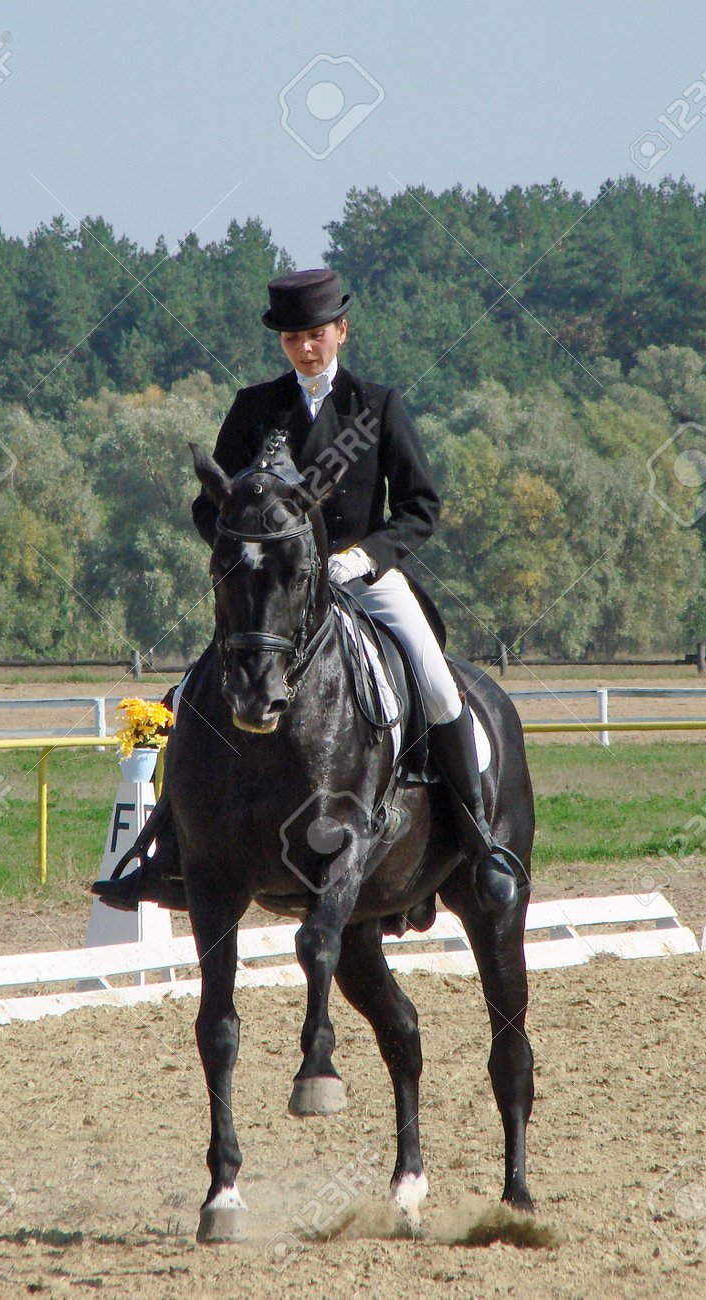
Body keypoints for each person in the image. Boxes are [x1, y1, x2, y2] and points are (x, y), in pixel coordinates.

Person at [94, 269, 518, 915]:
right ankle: (169, 852)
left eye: (316, 335)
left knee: (434, 681)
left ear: (341, 331)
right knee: (193, 692)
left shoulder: (376, 406)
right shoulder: (254, 407)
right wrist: (244, 554)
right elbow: (213, 503)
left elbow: (419, 507)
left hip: (363, 576)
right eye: (293, 339)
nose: (306, 348)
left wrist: (364, 557)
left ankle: (479, 841)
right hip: (277, 586)